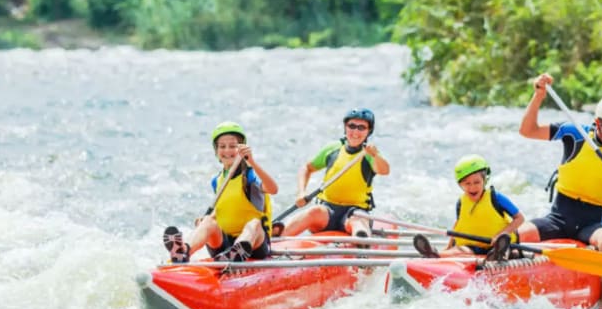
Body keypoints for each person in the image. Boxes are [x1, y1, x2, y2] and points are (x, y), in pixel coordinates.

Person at [517, 73, 602, 309]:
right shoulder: (574, 133)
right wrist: (538, 96)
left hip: (591, 222)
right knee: (520, 233)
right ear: (597, 122)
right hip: (558, 216)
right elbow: (527, 131)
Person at [163, 121, 279, 263]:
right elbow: (223, 209)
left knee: (254, 224)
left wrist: (252, 162)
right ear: (216, 152)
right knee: (207, 221)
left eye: (233, 146)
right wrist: (205, 221)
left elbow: (273, 189)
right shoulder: (217, 181)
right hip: (225, 245)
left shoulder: (250, 176)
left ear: (242, 149)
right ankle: (183, 252)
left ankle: (238, 251)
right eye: (222, 146)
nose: (227, 150)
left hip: (255, 244)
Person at [275, 108, 390, 238]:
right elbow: (306, 168)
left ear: (368, 131)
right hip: (327, 211)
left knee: (358, 221)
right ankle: (276, 239)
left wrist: (375, 156)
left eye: (361, 127)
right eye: (351, 126)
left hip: (355, 211)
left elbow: (384, 170)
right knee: (313, 211)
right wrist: (301, 192)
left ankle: (361, 241)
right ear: (345, 127)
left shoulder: (370, 154)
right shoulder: (333, 149)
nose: (356, 131)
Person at [413, 154, 525, 261]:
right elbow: (458, 226)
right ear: (460, 185)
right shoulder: (461, 202)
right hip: (473, 247)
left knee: (508, 251)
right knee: (459, 250)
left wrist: (500, 235)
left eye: (477, 182)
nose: (472, 187)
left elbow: (519, 218)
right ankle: (435, 254)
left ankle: (497, 256)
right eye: (467, 184)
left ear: (484, 180)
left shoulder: (496, 197)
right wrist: (448, 248)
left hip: (499, 244)